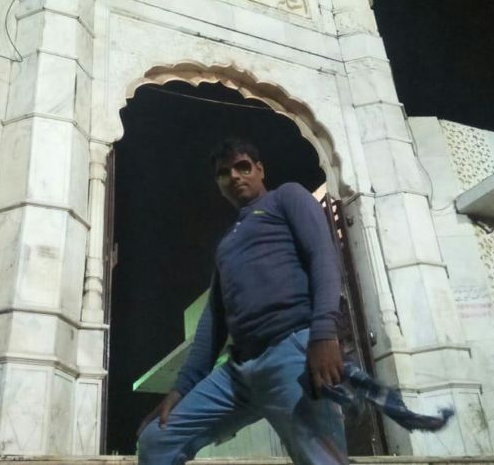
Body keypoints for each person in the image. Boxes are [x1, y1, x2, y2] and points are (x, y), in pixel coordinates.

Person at [137, 138, 349, 465]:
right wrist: (180, 390)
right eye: (224, 173)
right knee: (156, 440)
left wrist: (323, 334)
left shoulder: (287, 198)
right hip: (239, 373)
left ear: (260, 170)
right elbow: (213, 322)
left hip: (293, 354)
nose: (234, 176)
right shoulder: (227, 244)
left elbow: (323, 257)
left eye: (243, 167)